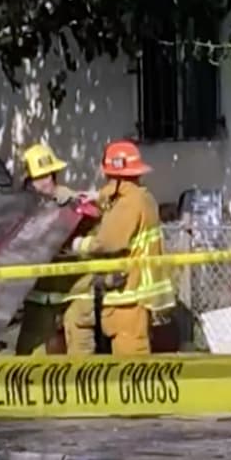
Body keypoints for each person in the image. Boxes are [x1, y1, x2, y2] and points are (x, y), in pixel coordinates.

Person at [68, 140, 175, 355]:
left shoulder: (128, 204)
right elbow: (117, 197)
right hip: (137, 297)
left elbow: (106, 242)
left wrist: (79, 245)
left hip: (128, 297)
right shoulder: (142, 197)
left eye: (109, 177)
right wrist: (97, 197)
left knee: (131, 368)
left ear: (115, 177)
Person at [14, 143, 101, 355]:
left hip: (75, 291)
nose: (44, 183)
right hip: (39, 295)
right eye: (38, 178)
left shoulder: (74, 206)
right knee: (30, 357)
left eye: (48, 176)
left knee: (82, 357)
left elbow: (98, 231)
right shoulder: (23, 210)